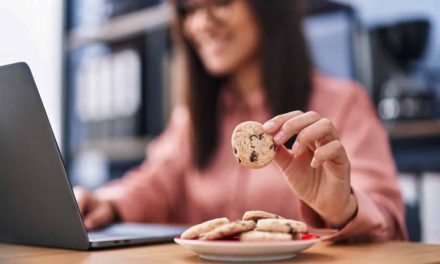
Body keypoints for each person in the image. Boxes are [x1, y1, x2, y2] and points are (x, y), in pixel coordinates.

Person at [74, 0, 407, 241]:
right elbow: (154, 183)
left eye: (220, 3)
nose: (201, 24)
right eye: (189, 10)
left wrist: (343, 207)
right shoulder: (192, 118)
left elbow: (389, 220)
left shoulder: (344, 103)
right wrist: (107, 202)